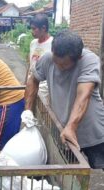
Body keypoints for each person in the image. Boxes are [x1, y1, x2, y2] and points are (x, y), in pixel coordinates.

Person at [24, 30, 104, 169]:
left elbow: (83, 94)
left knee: (99, 174)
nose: (59, 67)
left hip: (92, 133)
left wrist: (71, 126)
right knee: (68, 177)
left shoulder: (89, 61)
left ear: (78, 58)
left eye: (64, 65)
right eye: (57, 63)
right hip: (63, 132)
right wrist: (28, 111)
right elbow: (33, 81)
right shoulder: (48, 58)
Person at [28, 14, 53, 98]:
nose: (32, 31)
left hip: (44, 89)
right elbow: (30, 65)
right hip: (31, 84)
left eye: (34, 29)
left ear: (43, 28)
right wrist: (26, 83)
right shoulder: (33, 43)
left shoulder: (53, 44)